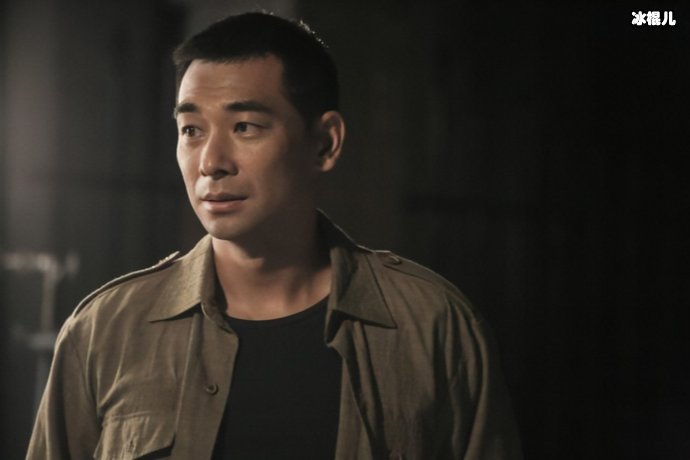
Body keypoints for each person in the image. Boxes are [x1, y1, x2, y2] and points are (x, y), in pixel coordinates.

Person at [27, 12, 522, 460]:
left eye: (245, 126)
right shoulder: (106, 331)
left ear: (324, 143)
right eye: (191, 130)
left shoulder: (432, 327)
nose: (210, 162)